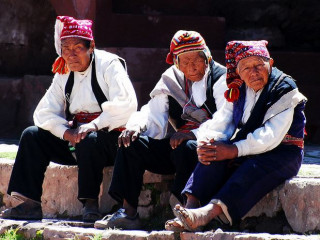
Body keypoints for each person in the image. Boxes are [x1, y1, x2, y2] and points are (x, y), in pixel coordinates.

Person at [0, 16, 137, 222]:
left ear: (91, 46)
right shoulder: (64, 72)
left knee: (89, 140)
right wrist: (66, 133)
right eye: (65, 48)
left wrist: (93, 126)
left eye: (77, 48)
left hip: (109, 140)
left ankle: (90, 205)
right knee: (32, 135)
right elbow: (43, 113)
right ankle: (29, 203)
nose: (71, 55)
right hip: (78, 139)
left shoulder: (110, 65)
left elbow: (127, 105)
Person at [166, 40, 307, 232]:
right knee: (214, 151)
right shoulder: (237, 87)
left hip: (283, 153)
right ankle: (190, 208)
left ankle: (207, 214)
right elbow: (224, 120)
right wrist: (208, 141)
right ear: (239, 72)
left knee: (252, 168)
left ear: (270, 63)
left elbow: (271, 135)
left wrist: (233, 150)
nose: (254, 72)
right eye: (246, 68)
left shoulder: (285, 88)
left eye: (259, 65)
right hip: (248, 147)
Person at [93, 30, 228, 230]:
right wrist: (135, 127)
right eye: (185, 61)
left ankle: (188, 211)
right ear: (176, 63)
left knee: (188, 146)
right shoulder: (171, 79)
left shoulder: (220, 77)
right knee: (132, 144)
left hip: (206, 147)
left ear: (206, 56)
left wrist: (193, 134)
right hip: (176, 148)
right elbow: (153, 113)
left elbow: (226, 119)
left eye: (196, 60)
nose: (191, 67)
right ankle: (128, 212)